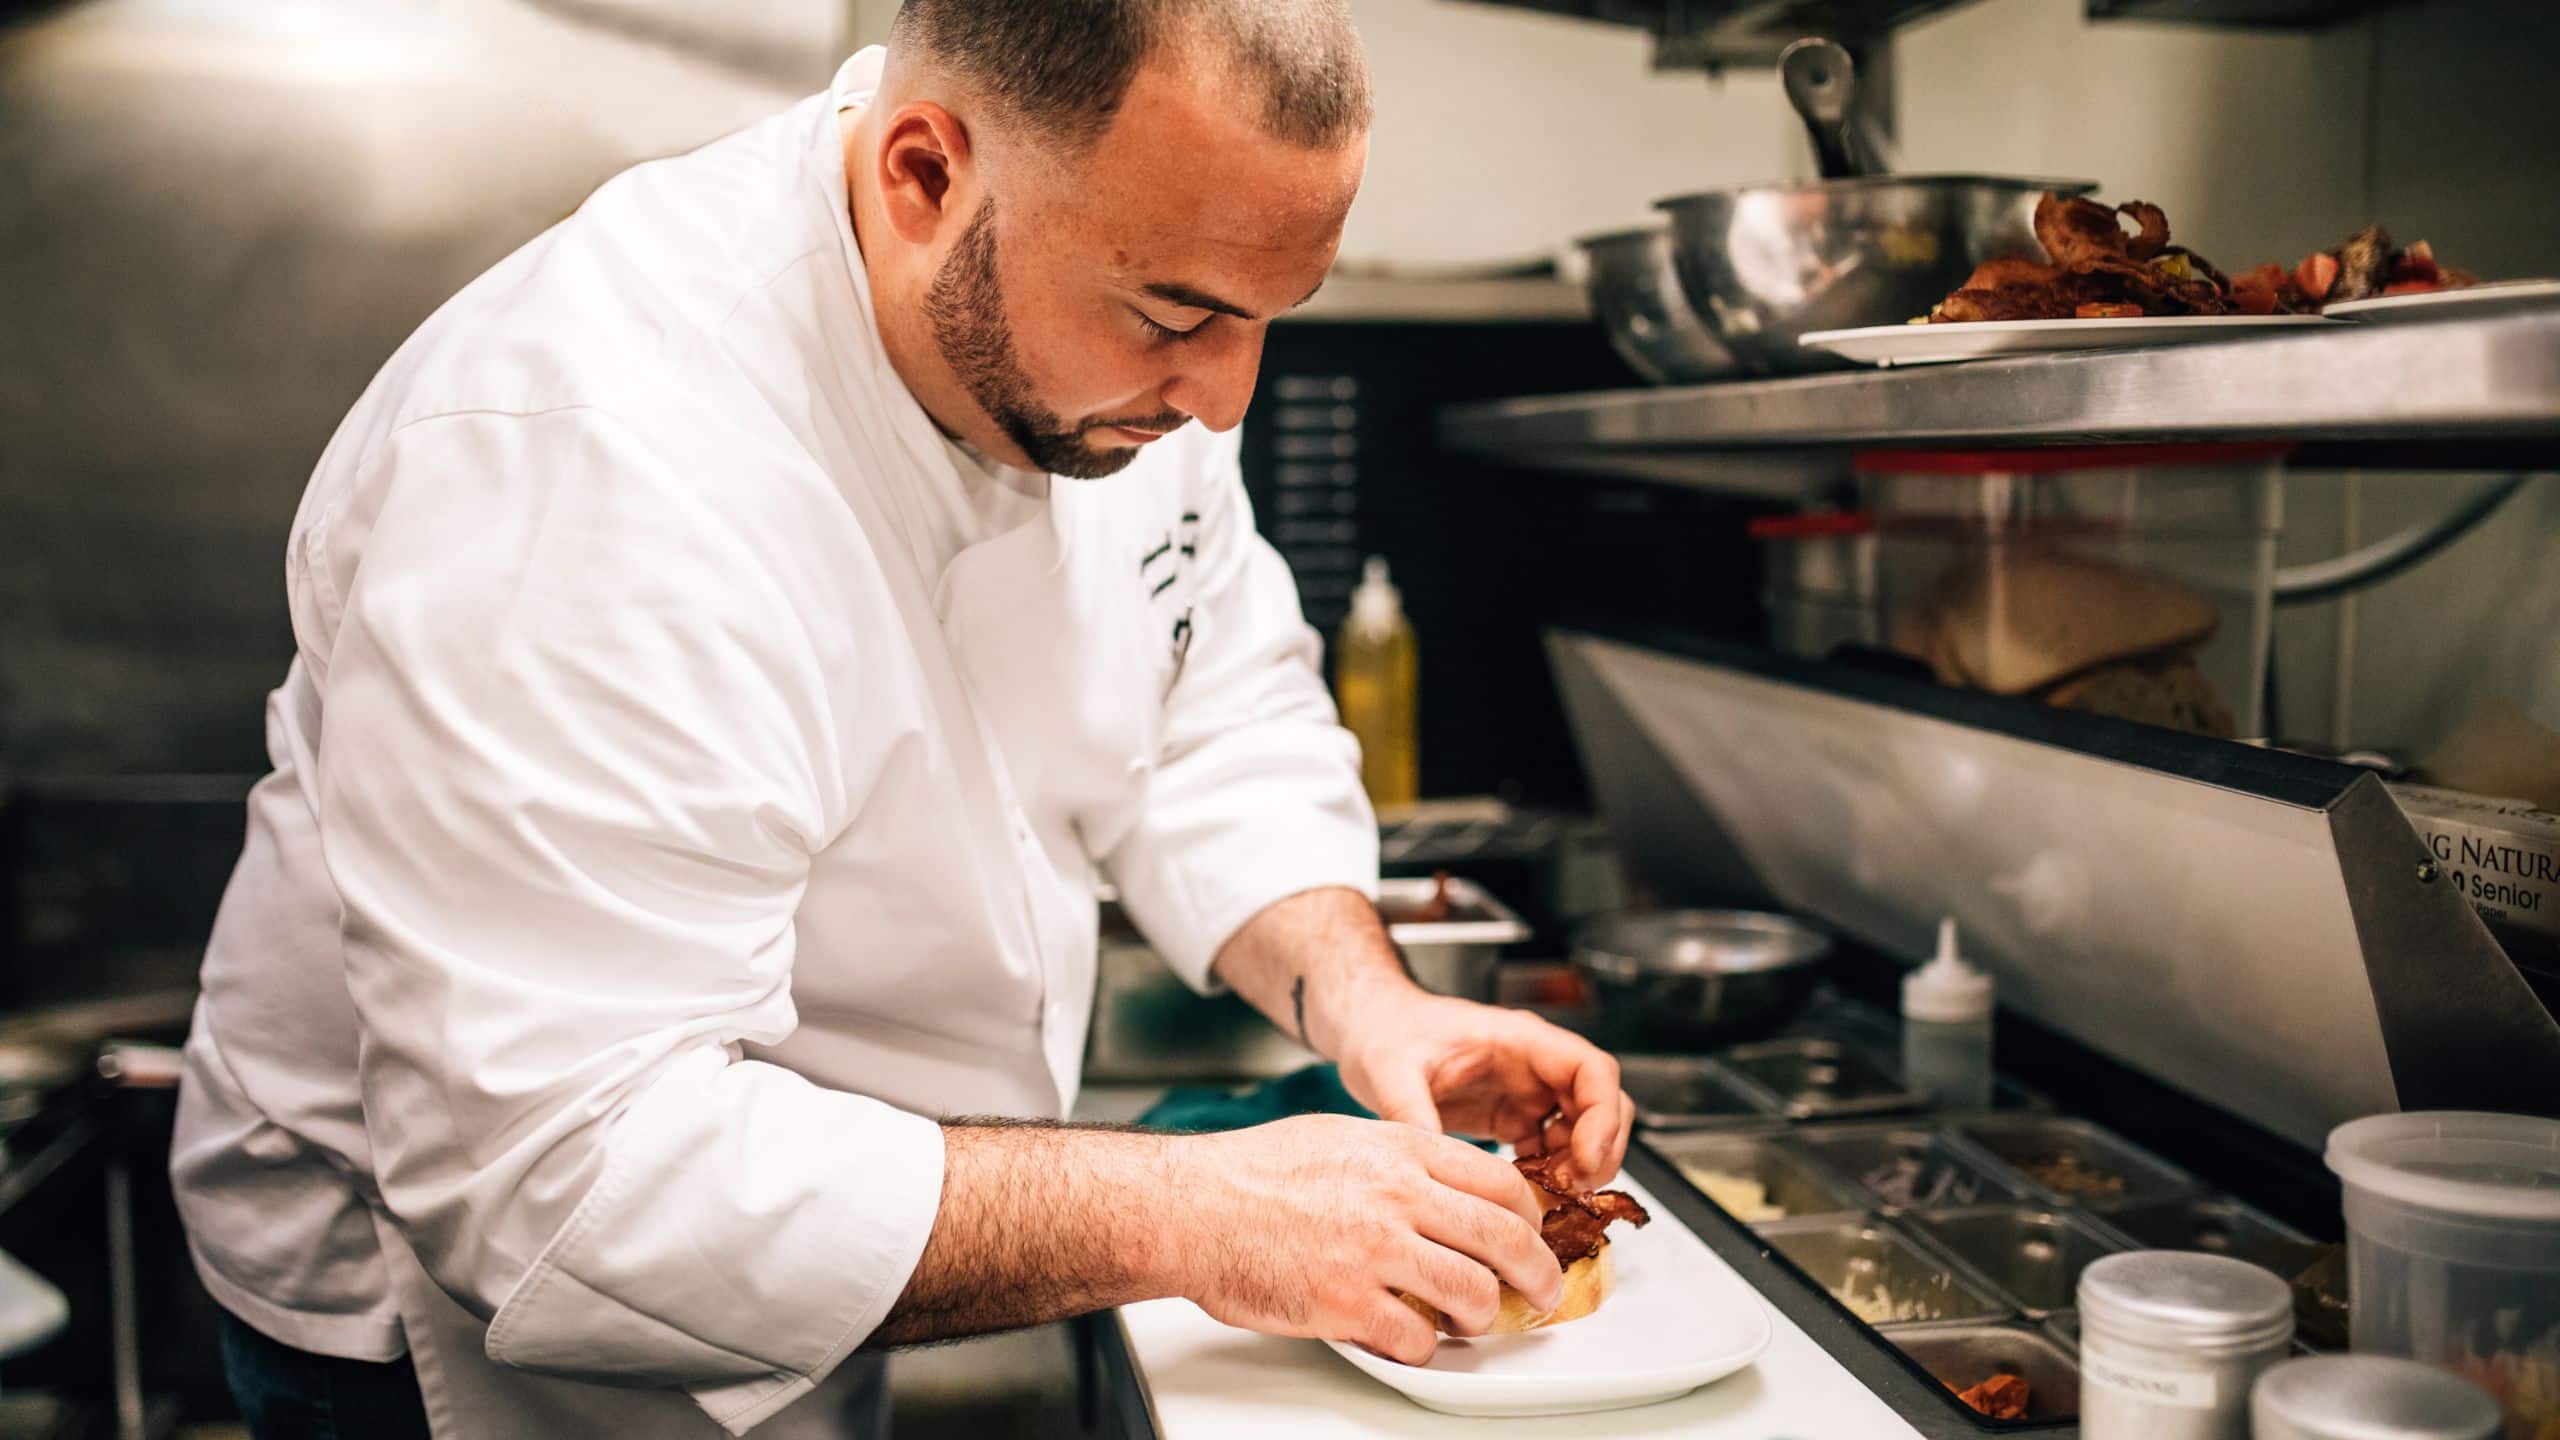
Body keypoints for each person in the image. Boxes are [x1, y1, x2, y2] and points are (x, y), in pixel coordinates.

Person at [169, 2, 1634, 1435]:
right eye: (1179, 316)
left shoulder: (1109, 348)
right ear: (924, 175)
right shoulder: (590, 462)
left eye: (1267, 319)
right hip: (456, 1346)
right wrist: (1193, 1209)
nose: (1226, 401)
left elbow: (1206, 711)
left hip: (830, 1240)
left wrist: (1368, 998)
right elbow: (566, 1176)